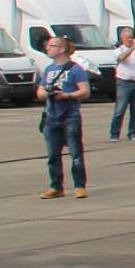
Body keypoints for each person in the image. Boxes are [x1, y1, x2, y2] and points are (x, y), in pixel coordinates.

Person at [37, 36, 90, 199]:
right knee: (53, 155)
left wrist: (67, 95)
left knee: (75, 154)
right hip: (51, 117)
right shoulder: (47, 69)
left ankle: (80, 186)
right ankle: (56, 186)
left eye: (51, 45)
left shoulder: (75, 69)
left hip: (70, 116)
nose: (48, 48)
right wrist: (48, 93)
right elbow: (39, 92)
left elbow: (85, 91)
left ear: (61, 49)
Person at [110, 26, 135, 141]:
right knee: (120, 110)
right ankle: (114, 134)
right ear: (122, 39)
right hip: (124, 82)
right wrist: (133, 47)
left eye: (131, 37)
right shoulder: (119, 50)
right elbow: (122, 58)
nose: (130, 40)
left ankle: (132, 132)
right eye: (127, 38)